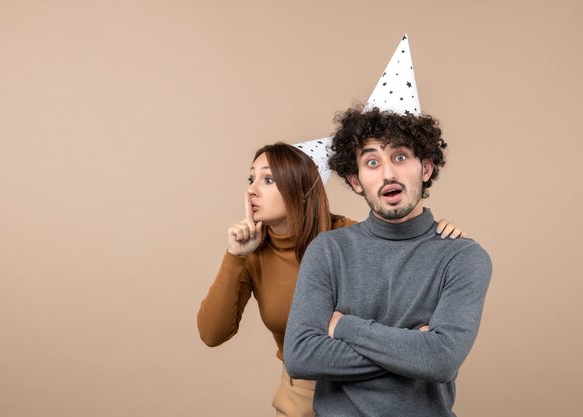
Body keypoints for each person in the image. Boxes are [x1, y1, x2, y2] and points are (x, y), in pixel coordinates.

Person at [197, 142, 466, 417]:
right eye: (251, 178)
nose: (251, 190)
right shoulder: (253, 252)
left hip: (365, 394)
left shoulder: (345, 239)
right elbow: (212, 334)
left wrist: (431, 236)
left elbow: (399, 240)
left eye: (268, 179)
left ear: (300, 188)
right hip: (298, 396)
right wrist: (235, 257)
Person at [283, 107, 492, 417]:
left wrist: (344, 326)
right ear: (355, 180)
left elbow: (441, 360)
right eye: (371, 162)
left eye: (400, 157)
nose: (388, 174)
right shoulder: (327, 250)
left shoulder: (463, 258)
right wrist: (413, 351)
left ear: (426, 167)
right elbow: (301, 356)